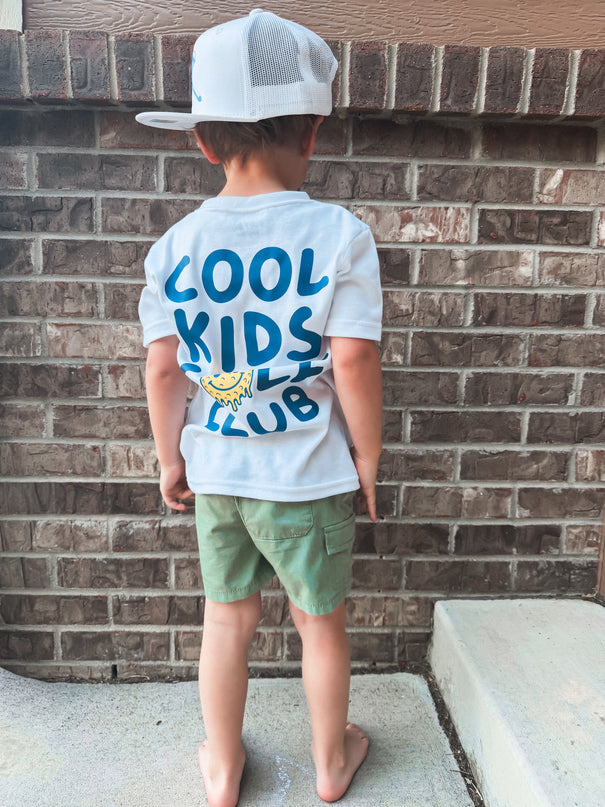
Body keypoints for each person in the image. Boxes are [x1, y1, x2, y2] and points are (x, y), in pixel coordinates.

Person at [135, 9, 383, 806]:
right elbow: (351, 357)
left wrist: (172, 457)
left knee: (225, 621)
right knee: (320, 623)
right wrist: (368, 457)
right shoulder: (339, 234)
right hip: (307, 476)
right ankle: (330, 761)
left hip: (218, 472)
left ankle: (222, 763)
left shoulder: (173, 248)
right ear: (311, 132)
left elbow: (165, 369)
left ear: (203, 142)